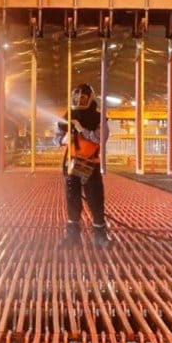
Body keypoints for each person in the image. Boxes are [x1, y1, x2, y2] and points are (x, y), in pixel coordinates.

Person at [57, 83, 111, 247]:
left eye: (83, 98)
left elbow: (100, 138)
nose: (79, 100)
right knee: (72, 200)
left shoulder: (98, 118)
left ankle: (99, 235)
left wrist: (81, 130)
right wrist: (63, 139)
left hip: (90, 164)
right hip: (73, 165)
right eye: (77, 97)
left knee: (95, 200)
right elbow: (57, 137)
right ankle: (73, 235)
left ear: (90, 99)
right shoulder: (67, 116)